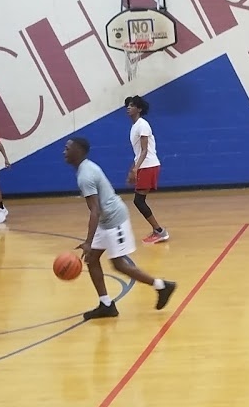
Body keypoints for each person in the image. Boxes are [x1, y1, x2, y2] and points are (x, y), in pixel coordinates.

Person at [64, 136, 176, 320]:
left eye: (68, 148)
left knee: (119, 265)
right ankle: (106, 304)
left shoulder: (85, 175)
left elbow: (95, 210)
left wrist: (88, 241)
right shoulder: (86, 168)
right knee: (92, 259)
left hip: (114, 221)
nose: (64, 152)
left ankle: (162, 286)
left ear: (79, 151)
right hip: (105, 220)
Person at [124, 95, 169, 243]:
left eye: (132, 105)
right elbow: (138, 153)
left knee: (139, 201)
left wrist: (136, 168)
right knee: (139, 200)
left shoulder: (143, 125)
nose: (128, 107)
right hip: (144, 165)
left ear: (139, 109)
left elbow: (144, 150)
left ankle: (160, 231)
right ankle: (158, 230)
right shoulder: (135, 126)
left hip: (148, 165)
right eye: (127, 105)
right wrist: (133, 169)